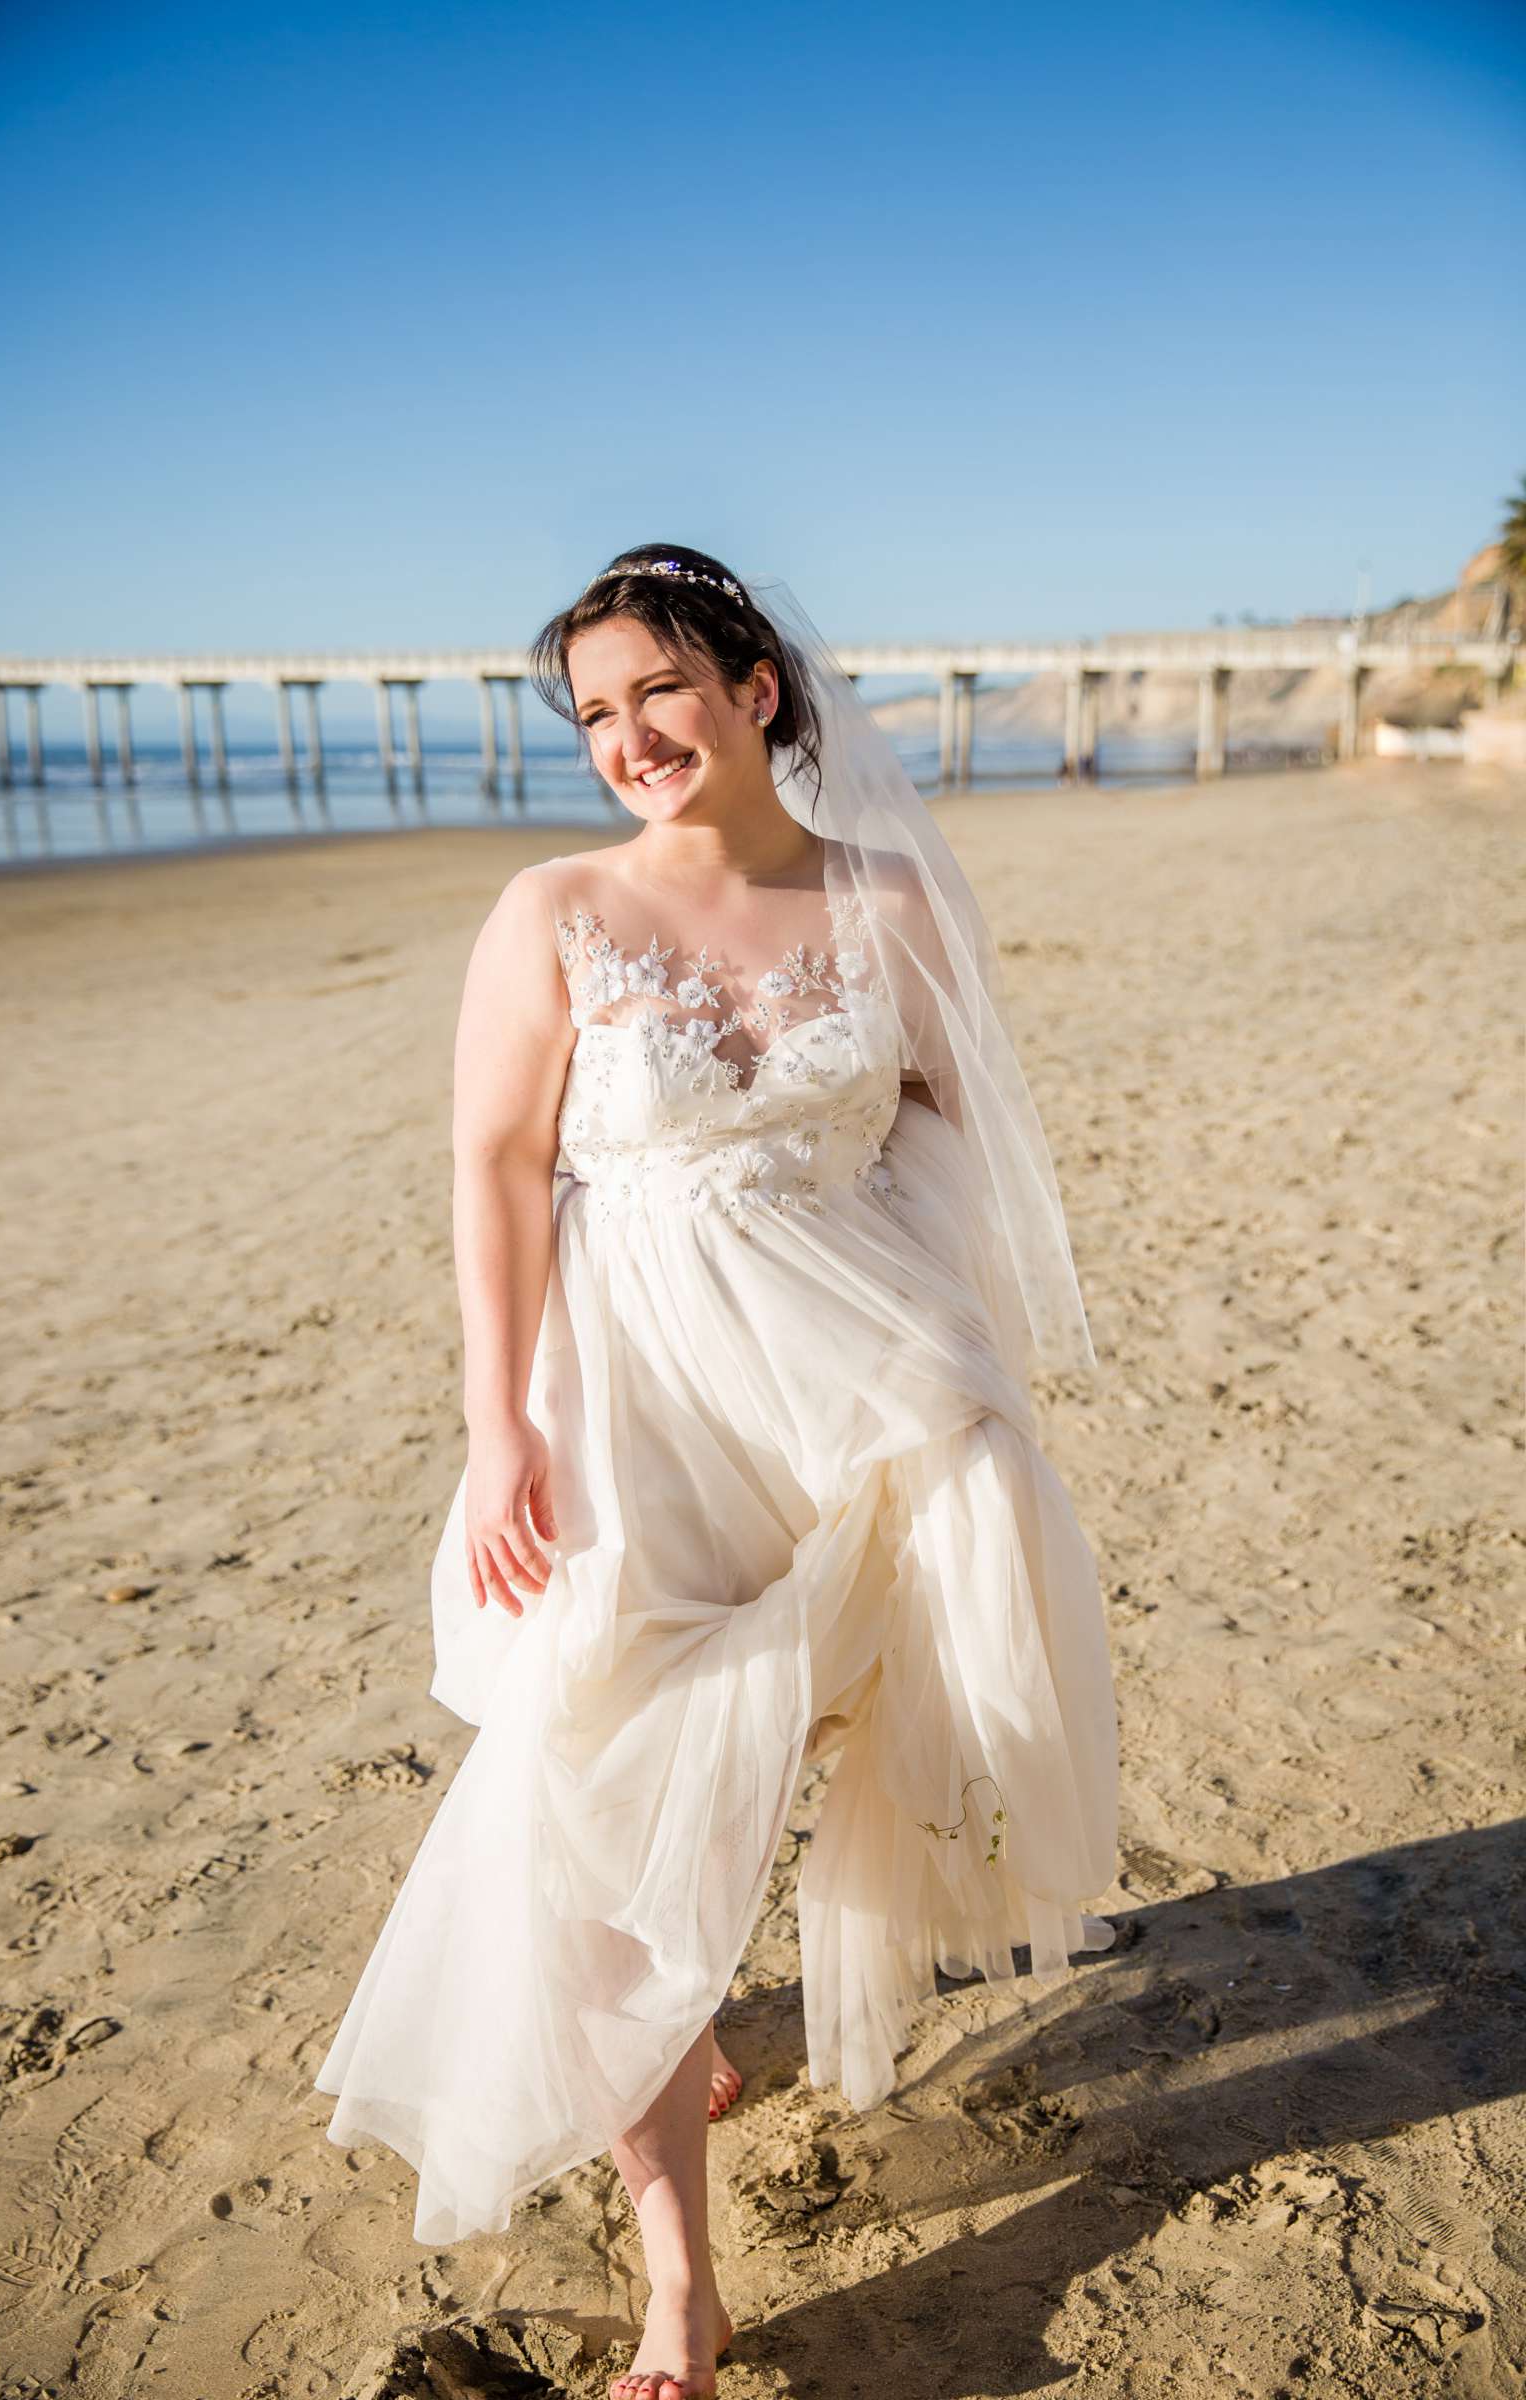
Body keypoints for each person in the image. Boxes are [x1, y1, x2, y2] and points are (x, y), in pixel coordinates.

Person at [315, 544, 1120, 2400]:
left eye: (658, 692)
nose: (627, 739)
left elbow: (946, 1120)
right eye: (594, 712)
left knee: (818, 1731)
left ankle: (689, 2015)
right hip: (632, 1400)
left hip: (852, 1385)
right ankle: (683, 2277)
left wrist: (950, 1346)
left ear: (757, 685)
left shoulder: (888, 896)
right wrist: (497, 1422)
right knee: (604, 1782)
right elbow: (501, 1169)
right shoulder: (554, 910)